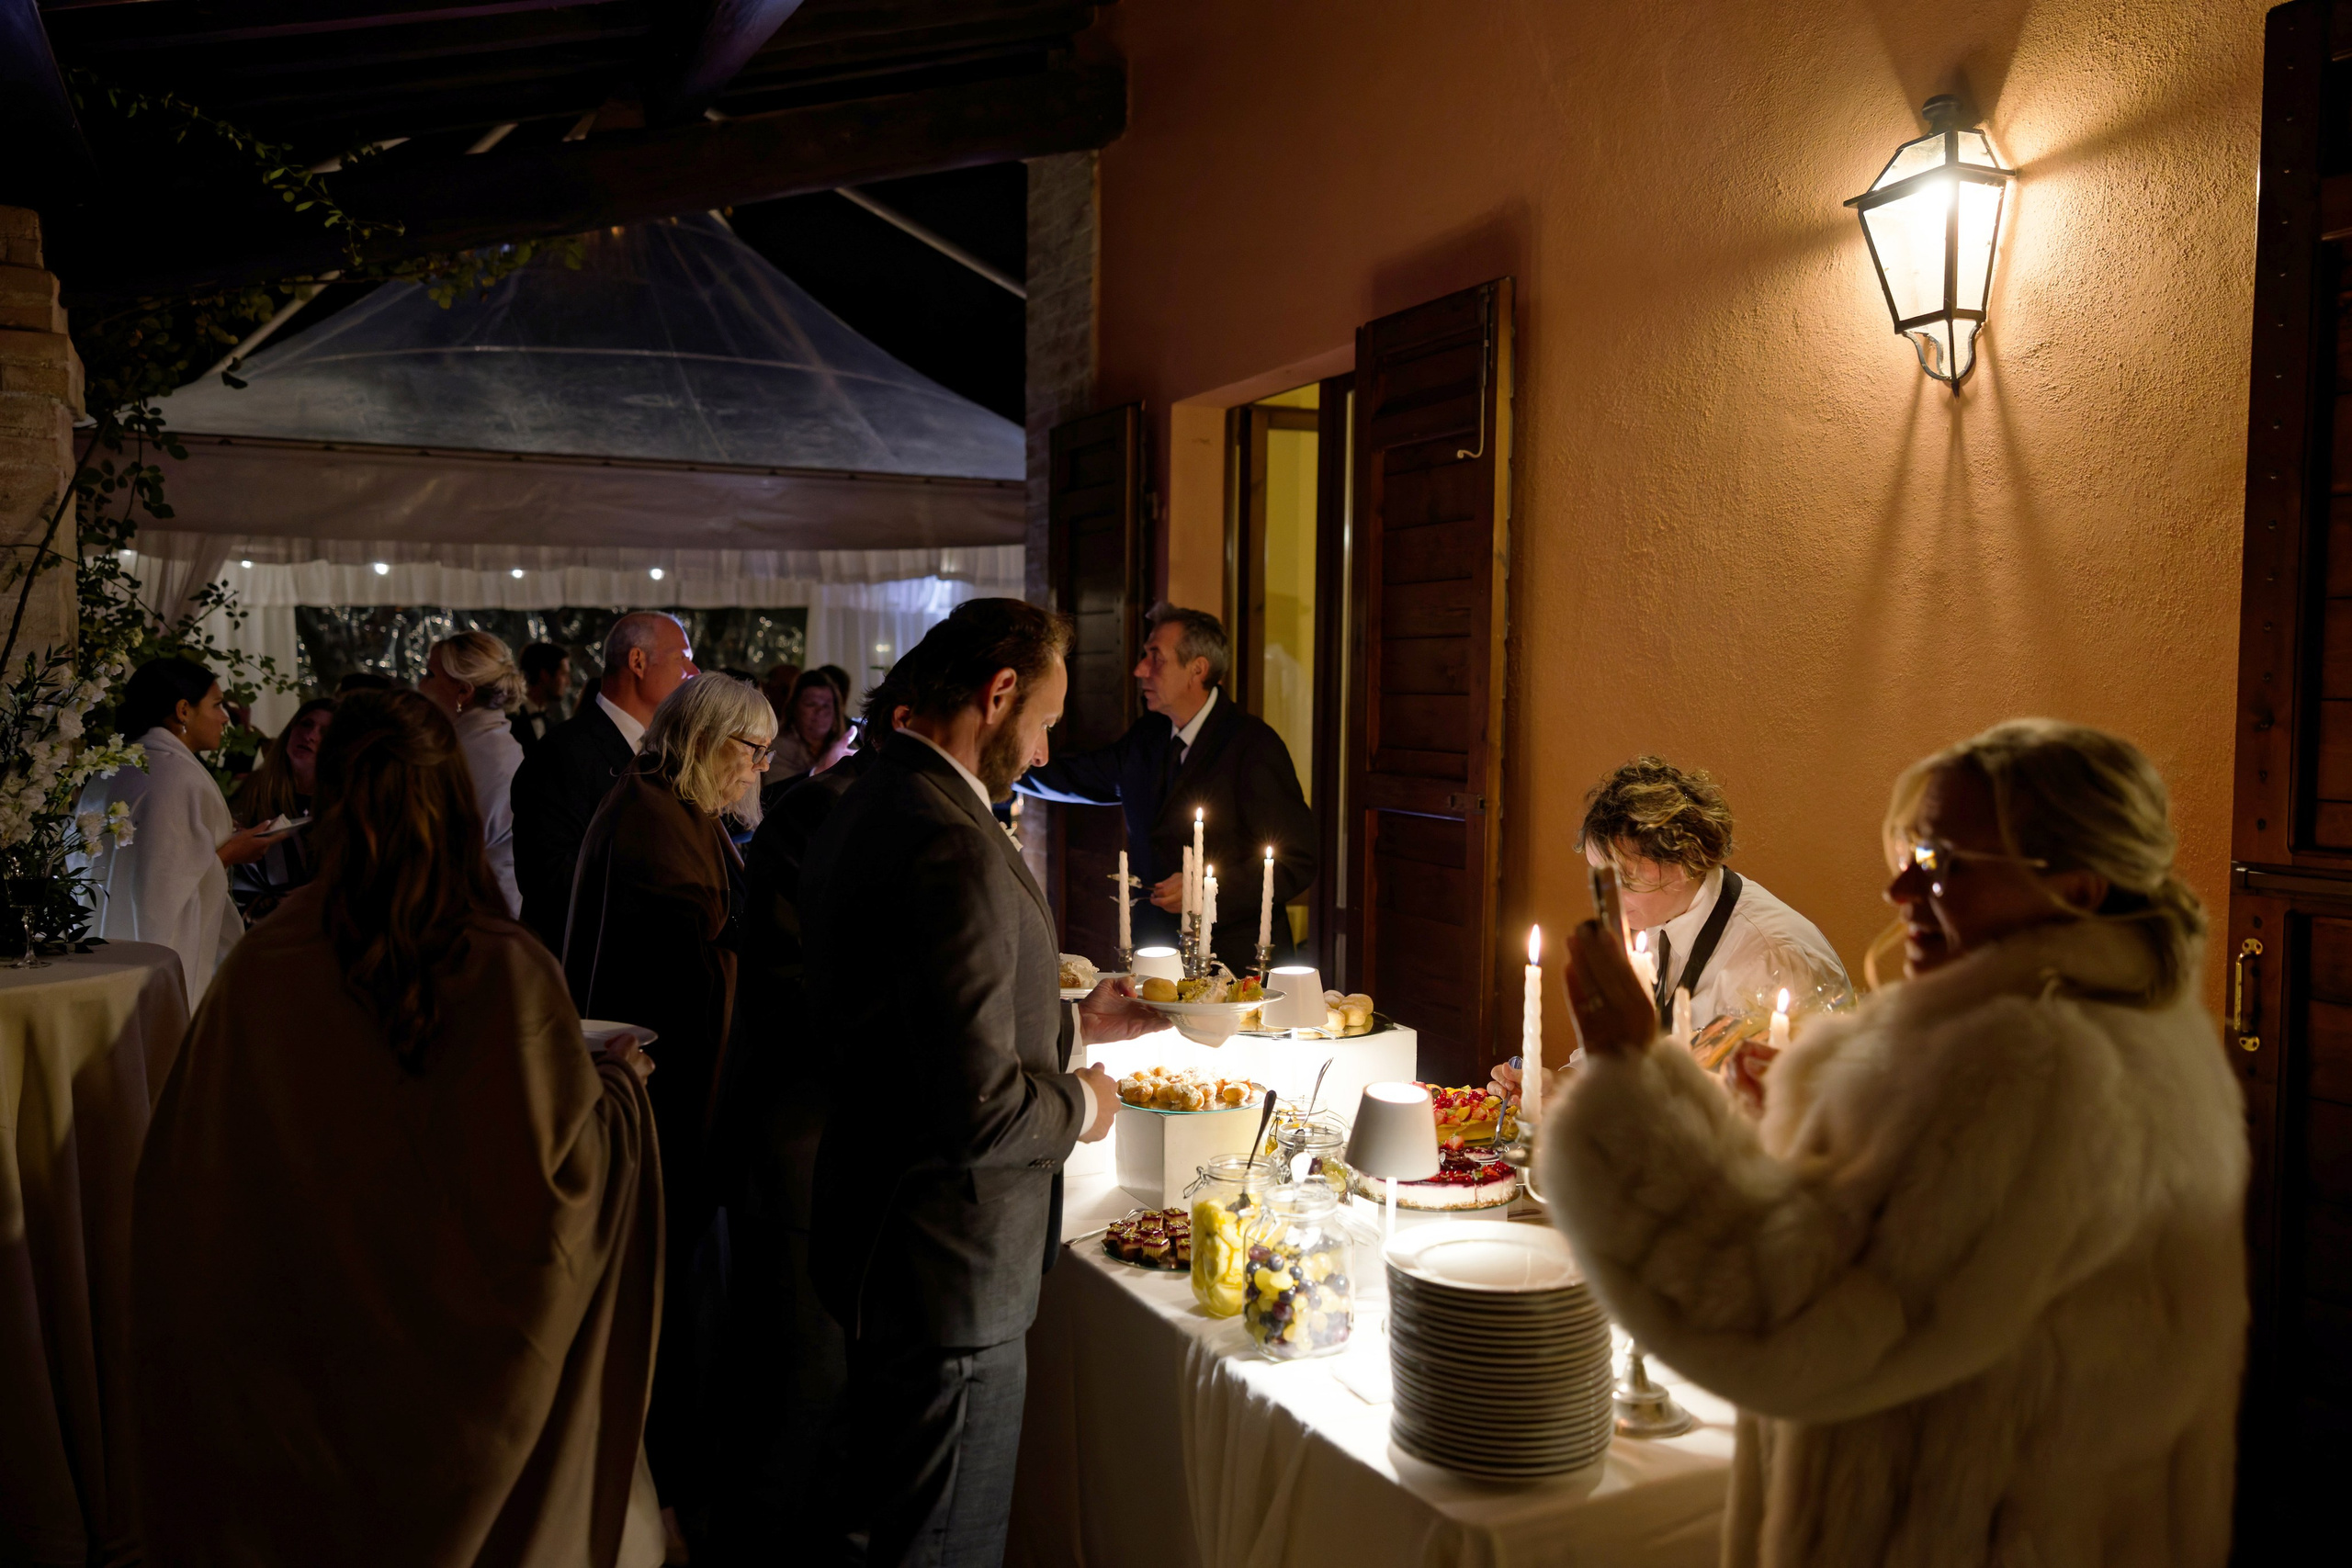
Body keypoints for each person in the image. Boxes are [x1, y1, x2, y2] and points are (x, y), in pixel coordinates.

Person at [1541, 719, 2247, 1568]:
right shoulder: (2140, 1026)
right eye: (1912, 857)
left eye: (1944, 864)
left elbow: (1781, 1316)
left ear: (2079, 886)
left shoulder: (2027, 1065)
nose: (1901, 893)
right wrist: (1813, 1126)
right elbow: (1938, 1266)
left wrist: (1634, 1078)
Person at [130, 689, 663, 1567]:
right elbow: (562, 1192)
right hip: (462, 1417)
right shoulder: (505, 968)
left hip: (304, 1398)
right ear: (453, 793)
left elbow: (189, 1186)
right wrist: (619, 1087)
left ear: (329, 801)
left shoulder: (264, 968)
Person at [802, 598, 1162, 1566]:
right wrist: (1088, 1102)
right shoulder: (949, 840)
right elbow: (976, 1110)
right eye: (1042, 721)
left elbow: (914, 1019)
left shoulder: (873, 797)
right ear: (997, 695)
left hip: (881, 1234)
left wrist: (1076, 1021)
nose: (1044, 750)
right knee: (942, 1546)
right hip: (947, 1265)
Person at [706, 663, 918, 1559]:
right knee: (802, 1400)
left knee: (812, 1400)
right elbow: (824, 994)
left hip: (801, 1134)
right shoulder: (858, 811)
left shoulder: (842, 800)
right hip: (807, 1143)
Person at [562, 673, 773, 1558]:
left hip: (675, 1093)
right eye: (749, 751)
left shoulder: (670, 806)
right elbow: (695, 958)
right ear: (702, 741)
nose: (759, 769)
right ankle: (670, 1507)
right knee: (676, 1315)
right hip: (661, 1102)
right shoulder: (651, 814)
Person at [1493, 756, 1849, 1107]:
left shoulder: (1771, 958)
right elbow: (1635, 1054)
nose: (1607, 899)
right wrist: (1562, 1085)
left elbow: (1801, 1115)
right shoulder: (1661, 918)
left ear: (1680, 863)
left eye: (1622, 879)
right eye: (1600, 880)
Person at [1018, 602, 1316, 974]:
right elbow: (1076, 776)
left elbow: (1296, 862)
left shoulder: (1254, 745)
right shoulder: (1149, 735)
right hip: (1156, 954)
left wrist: (1208, 890)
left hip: (1235, 963)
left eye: (1155, 658)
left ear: (1198, 669)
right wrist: (1002, 758)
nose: (1140, 669)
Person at [80, 658, 277, 1004]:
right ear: (183, 710)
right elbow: (166, 898)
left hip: (99, 950)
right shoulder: (177, 778)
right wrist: (232, 852)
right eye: (216, 705)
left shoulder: (114, 767)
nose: (225, 717)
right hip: (152, 966)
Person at [510, 611, 698, 952]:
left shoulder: (669, 750)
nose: (694, 673)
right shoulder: (563, 753)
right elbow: (548, 878)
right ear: (637, 662)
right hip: (585, 964)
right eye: (682, 658)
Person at [420, 631, 529, 917]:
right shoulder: (478, 742)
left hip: (478, 915)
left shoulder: (482, 754)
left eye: (430, 675)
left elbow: (448, 847)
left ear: (463, 692)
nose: (420, 685)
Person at [228, 696, 334, 922]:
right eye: (306, 724)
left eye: (325, 732)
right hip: (238, 928)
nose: (310, 735)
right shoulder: (254, 789)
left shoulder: (339, 806)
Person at [769, 663, 852, 780]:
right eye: (811, 704)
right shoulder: (776, 748)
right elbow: (781, 791)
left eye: (826, 706)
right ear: (794, 708)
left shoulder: (847, 748)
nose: (820, 712)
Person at [510, 640, 572, 753]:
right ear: (545, 675)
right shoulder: (510, 720)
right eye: (563, 674)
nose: (568, 683)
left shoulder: (551, 724)